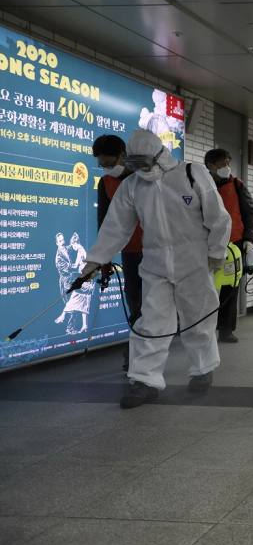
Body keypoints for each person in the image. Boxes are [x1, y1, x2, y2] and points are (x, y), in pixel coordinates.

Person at [76, 129, 232, 409]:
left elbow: (218, 217)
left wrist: (216, 253)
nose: (140, 169)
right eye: (134, 164)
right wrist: (95, 261)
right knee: (150, 321)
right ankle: (144, 380)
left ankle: (202, 368)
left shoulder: (192, 174)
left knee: (198, 317)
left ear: (160, 156)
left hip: (194, 261)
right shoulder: (132, 186)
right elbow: (115, 227)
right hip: (155, 263)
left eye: (144, 163)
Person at [93, 134, 143, 370]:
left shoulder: (144, 177)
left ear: (123, 155)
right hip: (130, 253)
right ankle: (136, 354)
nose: (106, 169)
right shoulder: (105, 183)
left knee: (152, 306)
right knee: (135, 304)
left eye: (109, 163)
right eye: (102, 165)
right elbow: (104, 223)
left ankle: (140, 355)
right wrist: (103, 260)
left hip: (157, 251)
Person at [205, 148, 253, 343]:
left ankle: (226, 329)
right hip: (207, 245)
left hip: (233, 245)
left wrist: (249, 239)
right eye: (222, 163)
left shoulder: (237, 185)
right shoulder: (201, 185)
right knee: (205, 288)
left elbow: (250, 213)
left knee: (230, 288)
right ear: (210, 165)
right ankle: (203, 329)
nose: (227, 166)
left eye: (228, 162)